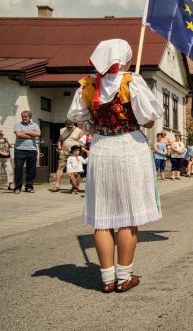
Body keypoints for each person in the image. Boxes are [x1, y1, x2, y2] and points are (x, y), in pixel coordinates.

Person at [67, 39, 163, 293]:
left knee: (103, 216)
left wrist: (98, 127)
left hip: (101, 148)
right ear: (124, 58)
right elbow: (149, 121)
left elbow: (79, 120)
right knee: (128, 217)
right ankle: (124, 277)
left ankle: (107, 279)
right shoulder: (132, 82)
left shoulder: (87, 86)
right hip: (130, 146)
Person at [49, 119, 84, 192]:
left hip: (74, 153)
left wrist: (79, 152)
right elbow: (60, 140)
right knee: (60, 167)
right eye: (67, 127)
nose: (69, 129)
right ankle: (57, 185)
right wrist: (59, 147)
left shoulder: (79, 131)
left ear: (73, 125)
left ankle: (75, 187)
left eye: (70, 127)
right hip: (64, 152)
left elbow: (82, 142)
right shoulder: (62, 130)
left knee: (75, 171)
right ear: (65, 125)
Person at [13, 110, 41, 194]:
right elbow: (18, 134)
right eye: (23, 116)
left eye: (26, 116)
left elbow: (38, 134)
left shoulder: (35, 125)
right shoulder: (17, 125)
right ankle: (17, 187)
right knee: (18, 169)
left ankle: (29, 186)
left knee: (31, 169)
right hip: (19, 150)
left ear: (30, 117)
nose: (24, 118)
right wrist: (31, 135)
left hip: (32, 150)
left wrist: (24, 132)